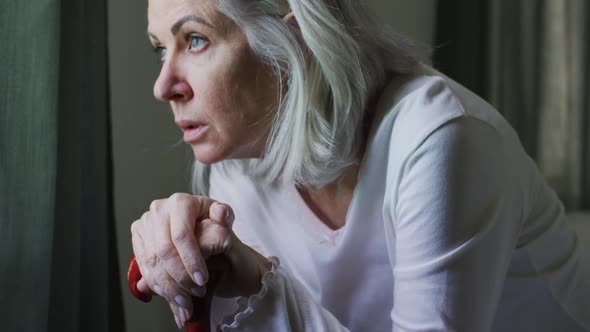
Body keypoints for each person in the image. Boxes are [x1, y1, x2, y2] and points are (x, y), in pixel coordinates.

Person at [130, 0, 590, 330]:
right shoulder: (235, 164)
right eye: (159, 48)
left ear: (295, 41)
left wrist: (256, 284)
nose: (163, 84)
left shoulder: (440, 138)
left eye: (194, 40)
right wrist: (191, 267)